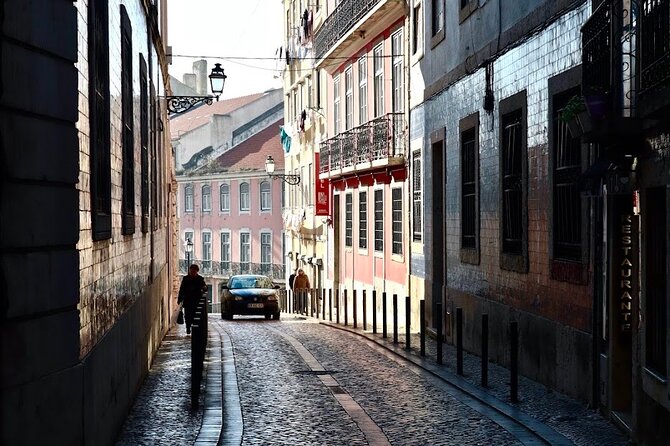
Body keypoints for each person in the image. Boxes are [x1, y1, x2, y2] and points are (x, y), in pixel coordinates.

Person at [177, 264, 207, 334]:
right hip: (188, 300)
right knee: (187, 315)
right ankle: (188, 327)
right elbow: (182, 289)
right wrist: (180, 299)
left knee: (194, 315)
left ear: (197, 271)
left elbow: (204, 287)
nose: (192, 272)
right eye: (191, 271)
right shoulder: (185, 278)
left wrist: (205, 288)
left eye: (194, 271)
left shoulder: (200, 279)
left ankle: (194, 328)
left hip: (196, 300)